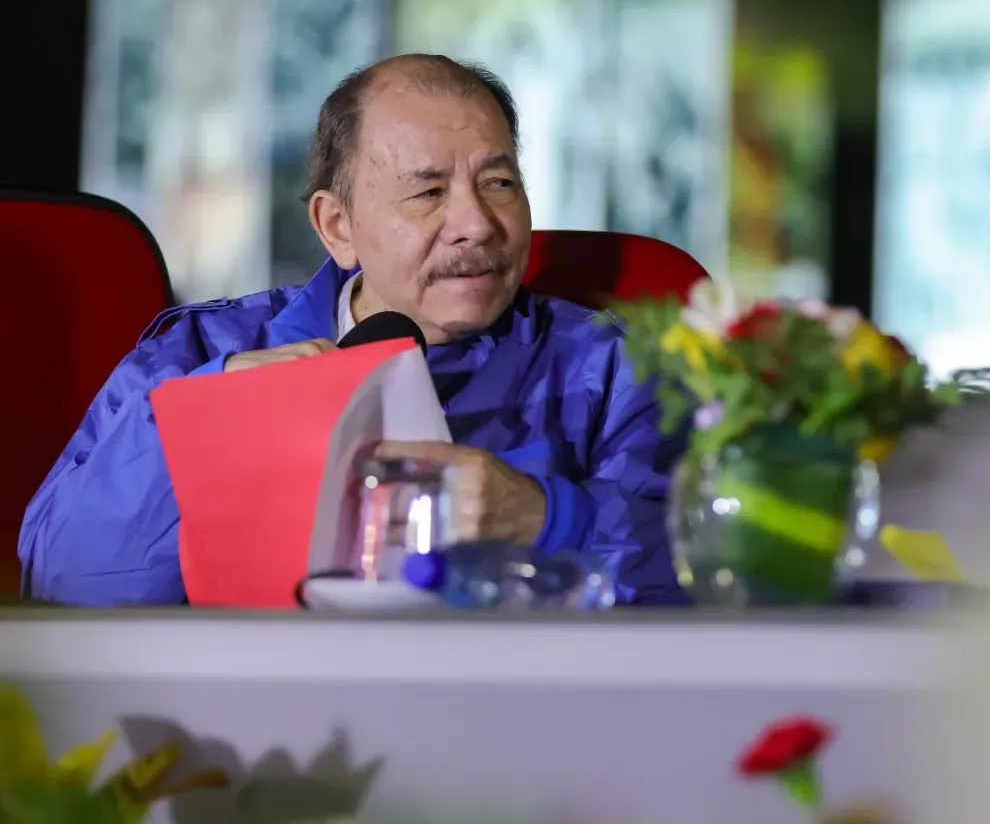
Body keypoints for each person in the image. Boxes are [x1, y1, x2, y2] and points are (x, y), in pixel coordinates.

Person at [22, 54, 686, 606]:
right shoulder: (201, 356)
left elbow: (715, 582)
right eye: (428, 192)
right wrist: (205, 419)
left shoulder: (617, 372)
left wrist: (548, 519)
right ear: (338, 226)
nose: (478, 222)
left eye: (500, 181)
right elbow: (62, 583)